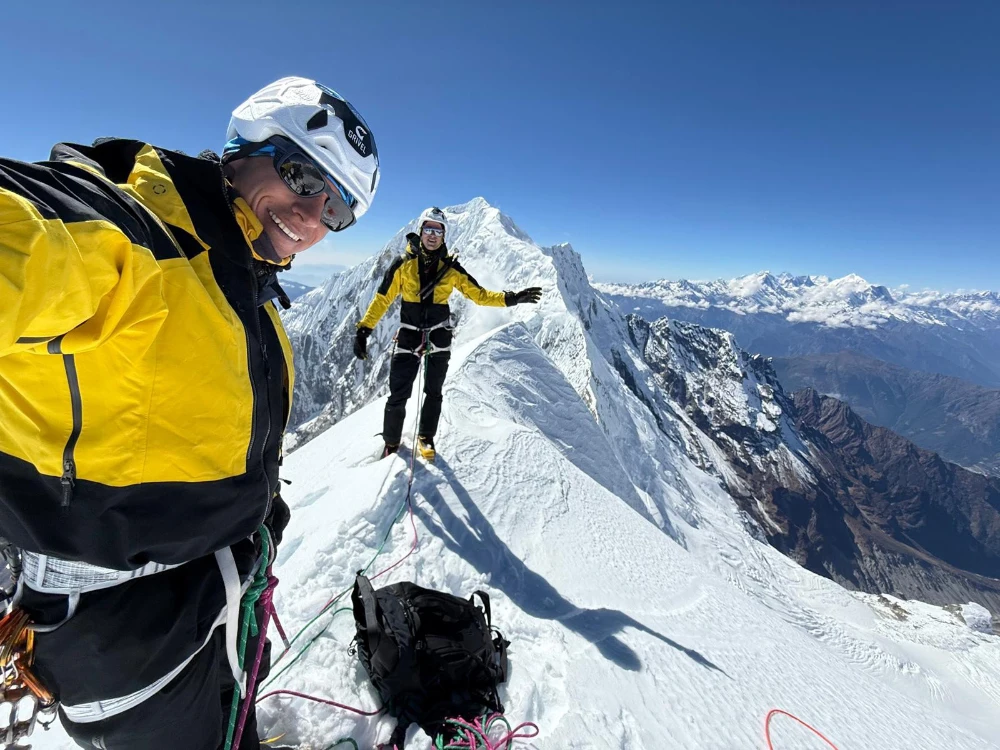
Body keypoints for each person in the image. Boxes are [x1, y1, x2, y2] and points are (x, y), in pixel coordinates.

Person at [0, 76, 379, 749]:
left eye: (338, 208)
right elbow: (27, 241)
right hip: (123, 633)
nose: (312, 214)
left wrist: (256, 509)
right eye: (300, 174)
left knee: (232, 713)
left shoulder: (242, 281)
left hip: (203, 596)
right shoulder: (131, 236)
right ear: (242, 148)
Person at [353, 207, 541, 460]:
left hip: (438, 337)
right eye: (428, 229)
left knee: (434, 392)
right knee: (398, 394)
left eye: (438, 230)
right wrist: (364, 330)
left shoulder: (452, 270)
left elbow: (479, 295)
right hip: (409, 336)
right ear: (420, 232)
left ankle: (426, 437)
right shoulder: (402, 266)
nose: (432, 235)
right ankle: (392, 443)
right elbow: (382, 299)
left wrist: (511, 299)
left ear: (444, 236)